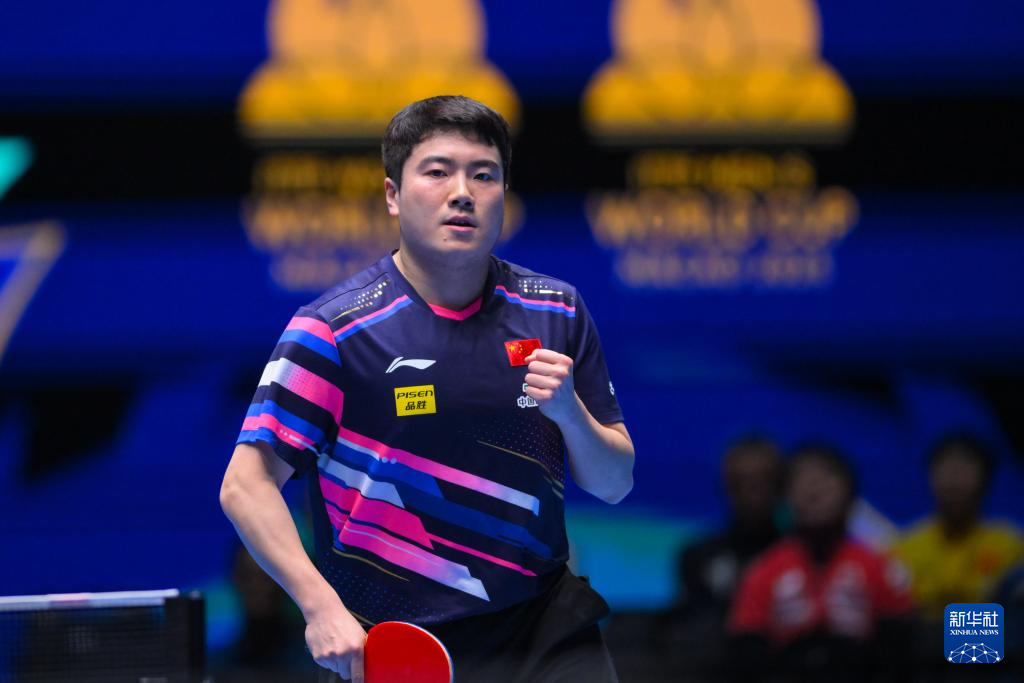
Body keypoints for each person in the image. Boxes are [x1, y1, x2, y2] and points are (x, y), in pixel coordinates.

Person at [219, 95, 635, 683]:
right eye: (438, 172)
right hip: (398, 644)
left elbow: (615, 483)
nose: (462, 192)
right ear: (393, 194)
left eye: (483, 175)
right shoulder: (333, 332)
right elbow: (246, 486)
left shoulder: (555, 311)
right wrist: (319, 607)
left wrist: (571, 414)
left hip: (544, 627)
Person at [727, 444, 913, 682]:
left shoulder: (877, 566)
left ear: (849, 493)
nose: (814, 490)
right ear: (785, 496)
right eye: (802, 480)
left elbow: (900, 646)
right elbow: (746, 646)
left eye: (826, 479)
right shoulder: (764, 570)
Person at [893, 433, 1024, 621]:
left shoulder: (1011, 546)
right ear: (930, 478)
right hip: (919, 637)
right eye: (945, 468)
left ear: (986, 479)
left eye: (965, 468)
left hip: (991, 639)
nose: (954, 480)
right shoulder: (903, 549)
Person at [677, 434, 783, 617]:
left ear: (780, 487)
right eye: (740, 481)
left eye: (762, 480)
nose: (751, 490)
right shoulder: (696, 558)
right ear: (726, 486)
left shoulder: (800, 557)